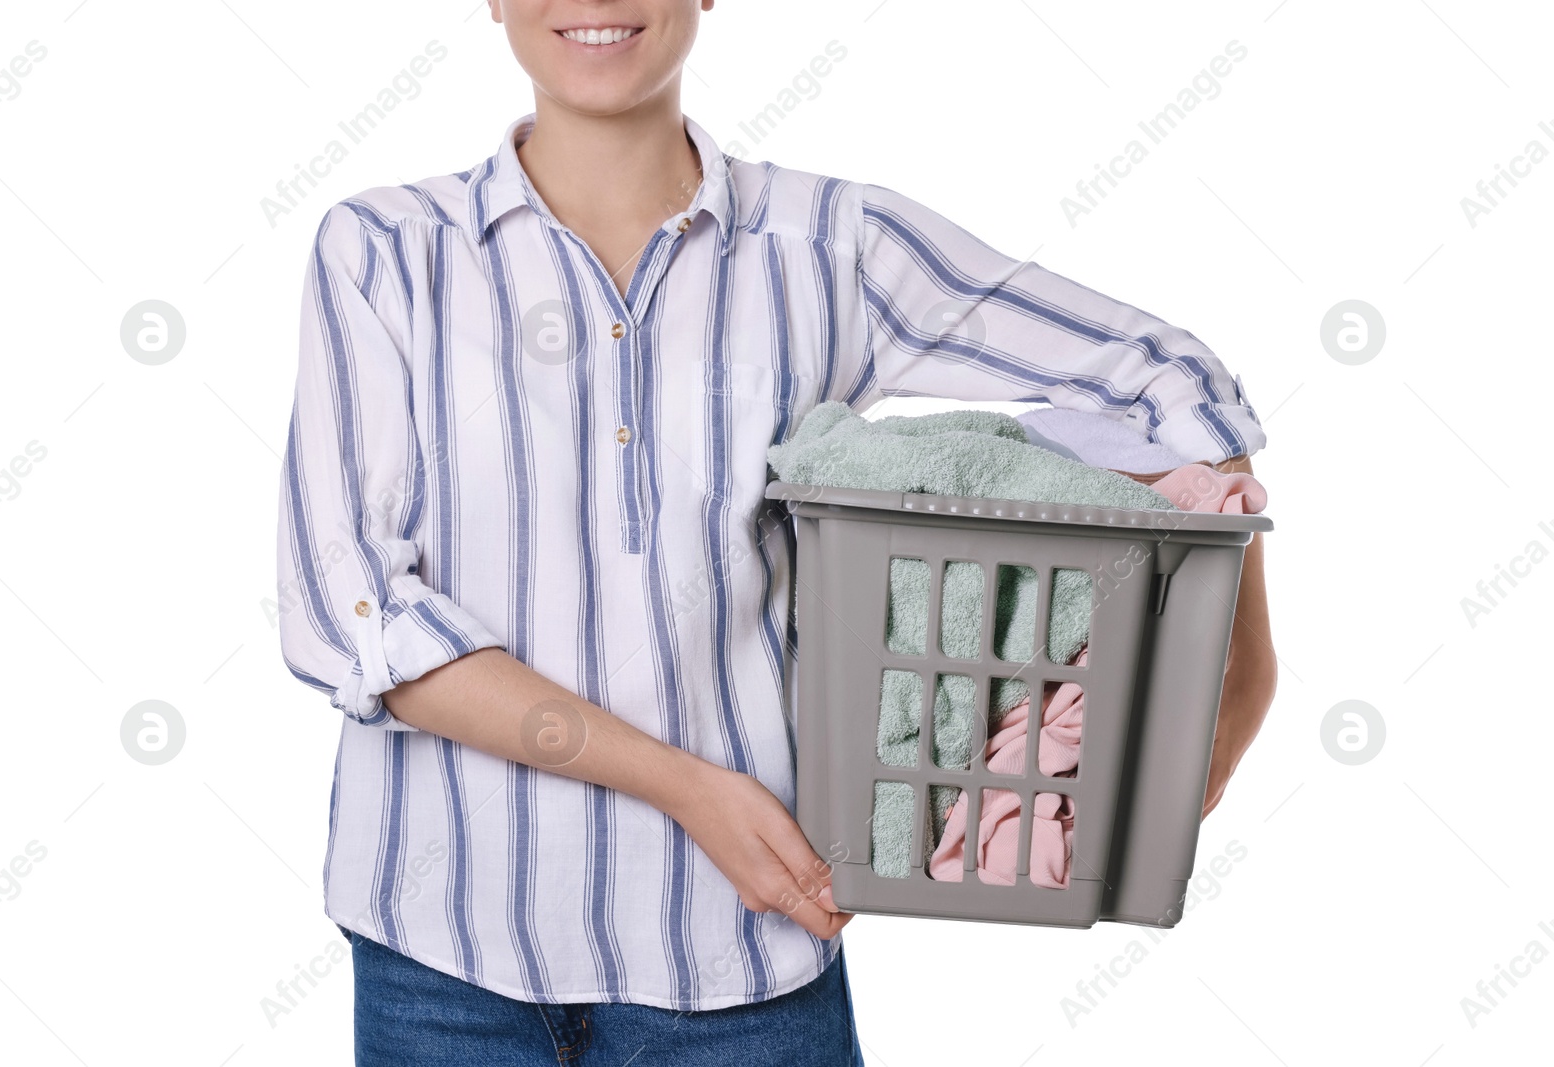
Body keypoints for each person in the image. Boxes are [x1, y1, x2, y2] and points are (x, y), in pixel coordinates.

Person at [274, 1, 1275, 1062]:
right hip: (443, 961)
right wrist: (683, 785)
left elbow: (1175, 382)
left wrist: (1242, 670)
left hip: (743, 958)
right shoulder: (383, 251)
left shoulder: (830, 246)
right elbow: (352, 618)